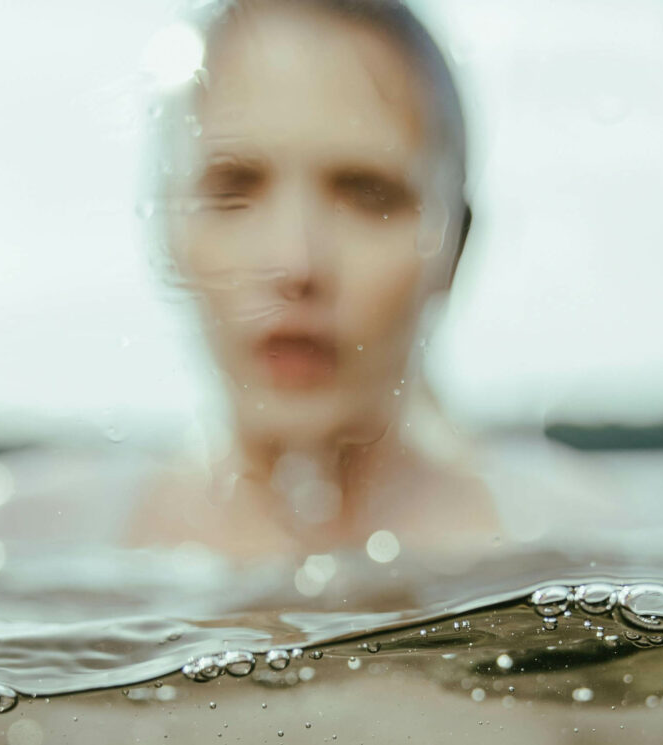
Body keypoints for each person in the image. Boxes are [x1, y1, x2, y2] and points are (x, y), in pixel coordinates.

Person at [126, 0, 500, 561]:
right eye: (233, 189)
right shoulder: (13, 545)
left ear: (455, 249)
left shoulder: (576, 554)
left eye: (367, 194)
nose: (296, 264)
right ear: (167, 234)